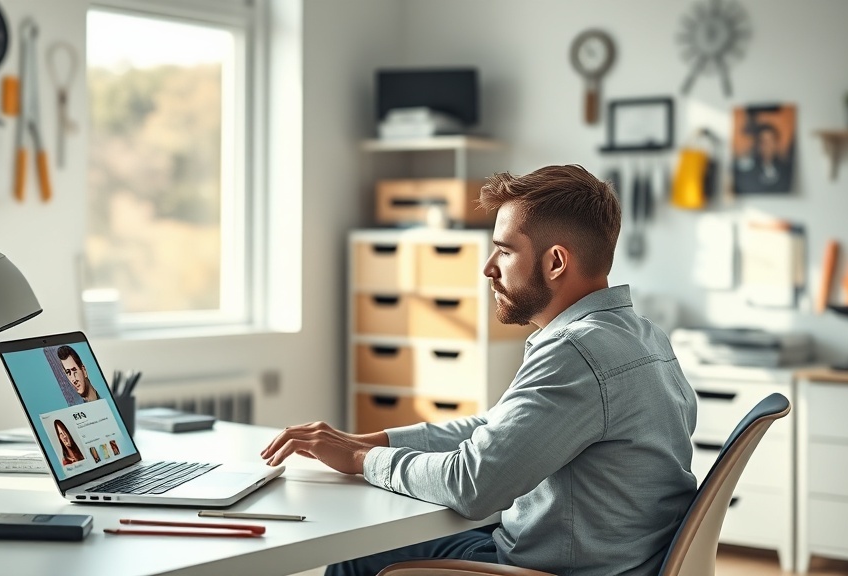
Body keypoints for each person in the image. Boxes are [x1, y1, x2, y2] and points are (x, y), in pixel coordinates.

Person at [261, 165, 698, 576]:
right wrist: (374, 441)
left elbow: (471, 486)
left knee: (355, 556)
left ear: (555, 262)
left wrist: (361, 460)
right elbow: (500, 428)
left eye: (504, 251)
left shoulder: (575, 352)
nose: (488, 267)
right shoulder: (643, 336)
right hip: (617, 562)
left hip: (550, 570)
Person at [734, 122, 792, 193]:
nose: (767, 145)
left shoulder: (786, 169)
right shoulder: (747, 169)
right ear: (757, 144)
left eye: (771, 140)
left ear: (776, 143)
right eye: (763, 141)